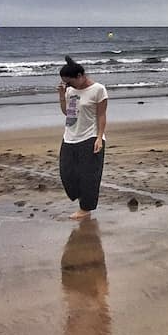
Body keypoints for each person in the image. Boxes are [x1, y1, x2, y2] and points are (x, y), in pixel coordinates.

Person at [57, 56, 108, 220]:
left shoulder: (98, 89)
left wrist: (99, 138)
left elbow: (101, 115)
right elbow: (68, 113)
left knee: (89, 175)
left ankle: (85, 208)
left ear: (80, 76)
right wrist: (61, 95)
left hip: (90, 136)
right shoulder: (70, 90)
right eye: (65, 82)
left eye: (69, 81)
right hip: (70, 136)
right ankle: (82, 198)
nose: (67, 85)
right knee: (66, 172)